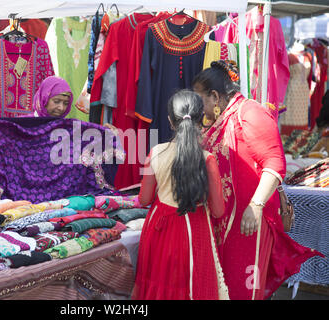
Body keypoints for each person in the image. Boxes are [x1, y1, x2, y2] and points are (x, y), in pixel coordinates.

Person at [192, 60, 323, 300]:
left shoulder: (250, 112)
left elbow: (274, 164)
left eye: (200, 101)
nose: (199, 109)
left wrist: (255, 206)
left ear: (214, 96)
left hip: (249, 223)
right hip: (225, 225)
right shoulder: (220, 121)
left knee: (241, 289)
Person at [132, 89, 229, 300]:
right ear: (201, 119)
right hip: (194, 232)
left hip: (159, 228)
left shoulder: (155, 152)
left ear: (170, 120)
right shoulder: (208, 159)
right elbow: (219, 210)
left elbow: (145, 199)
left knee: (157, 284)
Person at [0, 76, 73, 125]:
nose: (61, 108)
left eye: (66, 103)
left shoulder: (66, 129)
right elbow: (0, 126)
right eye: (56, 101)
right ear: (43, 98)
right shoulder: (23, 124)